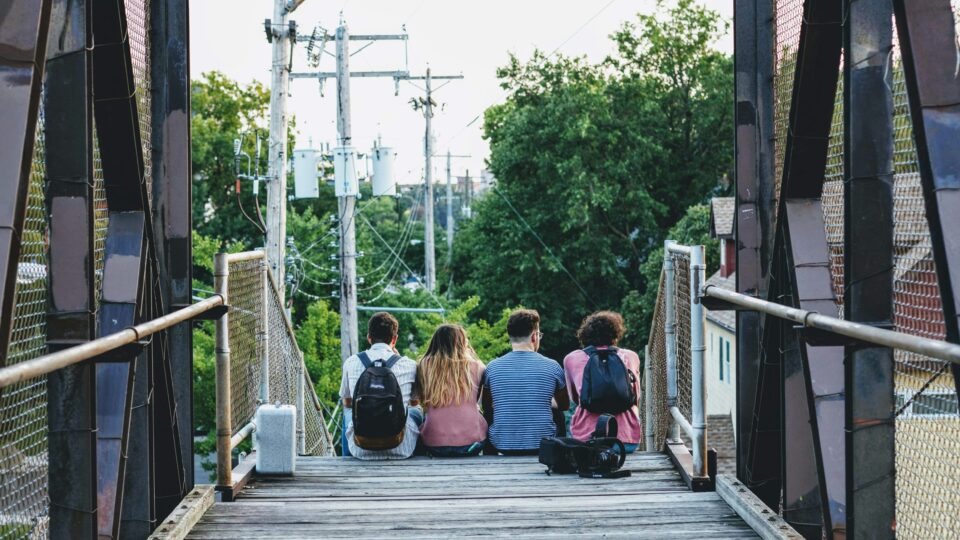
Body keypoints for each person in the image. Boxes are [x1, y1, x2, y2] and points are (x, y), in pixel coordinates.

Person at [482, 309, 569, 455]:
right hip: (542, 445)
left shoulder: (492, 367)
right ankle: (558, 455)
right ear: (534, 336)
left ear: (510, 336)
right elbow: (564, 405)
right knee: (558, 415)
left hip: (501, 445)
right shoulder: (552, 366)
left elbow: (487, 407)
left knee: (490, 415)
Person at [340, 312, 421, 459]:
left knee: (346, 412)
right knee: (417, 411)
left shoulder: (351, 362)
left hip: (361, 450)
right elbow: (414, 402)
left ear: (369, 337)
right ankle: (420, 455)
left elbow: (347, 402)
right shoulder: (409, 365)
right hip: (401, 447)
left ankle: (347, 457)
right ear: (394, 339)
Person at [563, 311, 642, 453]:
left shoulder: (572, 359)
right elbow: (635, 397)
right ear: (616, 334)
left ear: (585, 334)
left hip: (586, 439)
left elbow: (576, 399)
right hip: (626, 440)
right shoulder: (631, 356)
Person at [416, 324, 488, 457]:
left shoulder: (423, 366)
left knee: (415, 413)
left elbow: (417, 400)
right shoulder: (477, 367)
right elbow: (481, 401)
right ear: (462, 343)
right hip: (472, 445)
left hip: (433, 445)